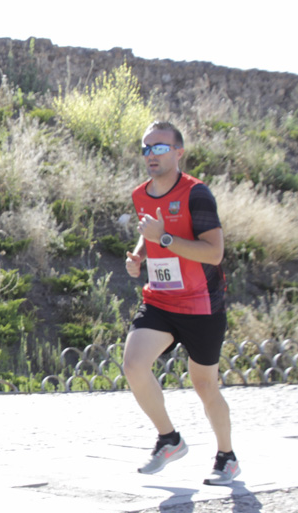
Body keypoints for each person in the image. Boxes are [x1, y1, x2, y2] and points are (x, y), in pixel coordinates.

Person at [123, 121, 239, 486]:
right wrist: (140, 255)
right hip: (160, 298)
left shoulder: (196, 194)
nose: (151, 155)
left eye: (160, 148)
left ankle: (227, 456)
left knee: (204, 384)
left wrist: (165, 238)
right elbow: (150, 230)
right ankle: (169, 438)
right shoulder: (140, 194)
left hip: (202, 303)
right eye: (146, 148)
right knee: (133, 365)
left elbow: (214, 253)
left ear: (178, 152)